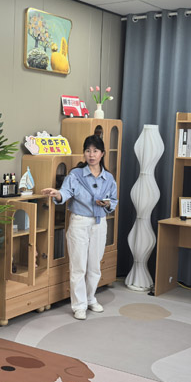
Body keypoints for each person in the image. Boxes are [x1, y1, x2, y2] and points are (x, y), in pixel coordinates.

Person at [42, 135, 117, 320]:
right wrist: (57, 194)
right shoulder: (75, 175)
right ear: (84, 153)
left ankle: (91, 299)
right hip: (79, 223)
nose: (91, 155)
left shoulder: (108, 178)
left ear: (102, 154)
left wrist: (107, 203)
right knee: (78, 266)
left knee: (95, 266)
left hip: (99, 223)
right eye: (88, 151)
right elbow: (65, 193)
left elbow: (114, 200)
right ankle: (79, 305)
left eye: (95, 151)